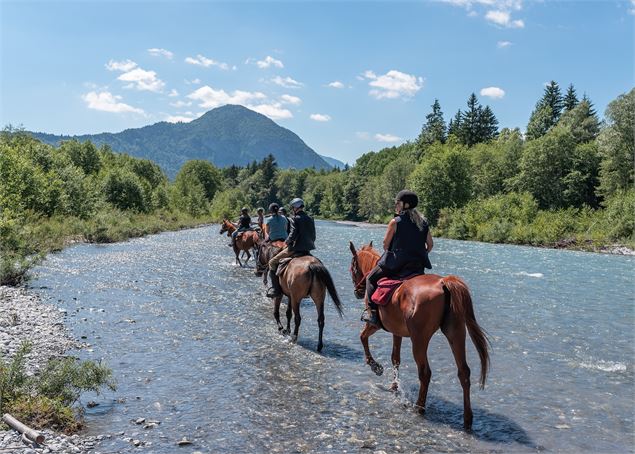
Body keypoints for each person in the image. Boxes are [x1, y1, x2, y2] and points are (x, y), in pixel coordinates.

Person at [363, 190, 433, 327]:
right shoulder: (423, 223)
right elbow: (430, 245)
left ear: (406, 205)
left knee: (370, 278)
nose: (396, 205)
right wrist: (419, 254)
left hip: (396, 264)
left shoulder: (395, 221)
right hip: (417, 266)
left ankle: (371, 313)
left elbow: (385, 245)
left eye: (398, 203)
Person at [266, 198, 316, 298]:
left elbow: (293, 234)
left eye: (293, 207)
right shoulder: (310, 218)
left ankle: (276, 290)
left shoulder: (295, 218)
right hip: (308, 249)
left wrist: (286, 242)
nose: (292, 209)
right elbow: (313, 235)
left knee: (272, 262)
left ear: (295, 207)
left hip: (296, 248)